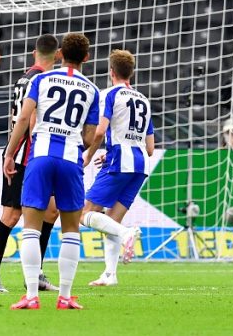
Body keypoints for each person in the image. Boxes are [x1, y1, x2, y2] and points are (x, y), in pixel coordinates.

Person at [3, 33, 99, 310]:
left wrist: (10, 153)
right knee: (70, 229)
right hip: (70, 159)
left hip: (40, 156)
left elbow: (23, 118)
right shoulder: (91, 89)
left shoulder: (41, 80)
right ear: (86, 58)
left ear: (59, 55)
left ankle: (32, 295)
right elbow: (90, 137)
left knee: (31, 226)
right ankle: (65, 296)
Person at [0, 34, 61, 294]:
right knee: (11, 215)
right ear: (58, 55)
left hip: (27, 153)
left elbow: (13, 116)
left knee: (51, 211)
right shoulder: (43, 80)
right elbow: (28, 120)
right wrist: (13, 152)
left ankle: (36, 272)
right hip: (26, 156)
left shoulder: (23, 79)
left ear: (33, 53)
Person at [80, 49, 150, 287]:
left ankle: (127, 234)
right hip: (140, 165)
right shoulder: (143, 99)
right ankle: (110, 274)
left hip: (119, 161)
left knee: (84, 213)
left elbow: (99, 130)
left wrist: (89, 154)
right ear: (131, 72)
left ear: (111, 72)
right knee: (111, 219)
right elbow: (150, 147)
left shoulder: (108, 94)